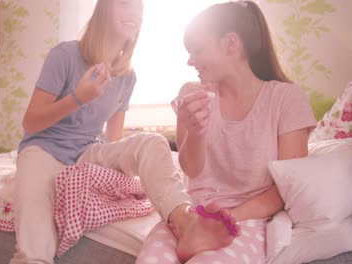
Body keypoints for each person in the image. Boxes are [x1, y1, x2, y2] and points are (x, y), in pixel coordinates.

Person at [11, 0, 228, 263]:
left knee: (152, 142)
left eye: (139, 7)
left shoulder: (127, 76)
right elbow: (31, 123)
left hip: (87, 153)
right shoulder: (65, 55)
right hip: (44, 150)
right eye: (125, 3)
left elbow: (114, 140)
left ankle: (185, 221)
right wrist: (78, 98)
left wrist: (124, 174)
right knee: (34, 248)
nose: (134, 12)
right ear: (104, 9)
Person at [136, 1, 317, 263]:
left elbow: (286, 189)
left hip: (249, 220)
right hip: (192, 216)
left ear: (231, 44)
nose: (190, 60)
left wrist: (221, 221)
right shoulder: (192, 94)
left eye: (197, 50)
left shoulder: (286, 99)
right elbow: (191, 170)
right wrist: (196, 131)